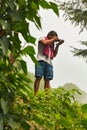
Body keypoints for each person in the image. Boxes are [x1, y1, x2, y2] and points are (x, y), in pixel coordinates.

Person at [34, 30, 64, 95]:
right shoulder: (42, 38)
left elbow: (54, 54)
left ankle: (46, 98)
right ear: (50, 35)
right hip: (40, 60)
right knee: (38, 77)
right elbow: (45, 43)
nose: (54, 40)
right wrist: (53, 39)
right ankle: (35, 95)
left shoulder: (51, 44)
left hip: (49, 63)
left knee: (47, 79)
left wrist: (58, 45)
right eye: (54, 37)